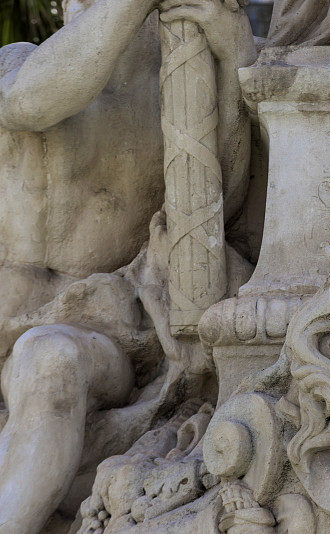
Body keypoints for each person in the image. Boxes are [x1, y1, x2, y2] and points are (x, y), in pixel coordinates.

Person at [0, 0, 254, 530]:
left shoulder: (180, 88)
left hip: (99, 334)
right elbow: (29, 102)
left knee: (49, 358)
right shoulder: (20, 63)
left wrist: (233, 48)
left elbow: (216, 199)